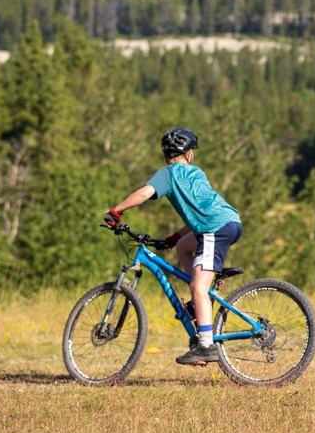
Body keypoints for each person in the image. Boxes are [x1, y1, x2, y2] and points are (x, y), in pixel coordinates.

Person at [103, 127, 243, 366]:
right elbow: (200, 212)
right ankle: (203, 307)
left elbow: (144, 193)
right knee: (182, 248)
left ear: (167, 155)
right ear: (188, 154)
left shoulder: (168, 174)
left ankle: (206, 345)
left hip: (214, 229)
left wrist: (117, 210)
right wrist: (174, 237)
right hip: (227, 222)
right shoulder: (196, 173)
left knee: (198, 285)